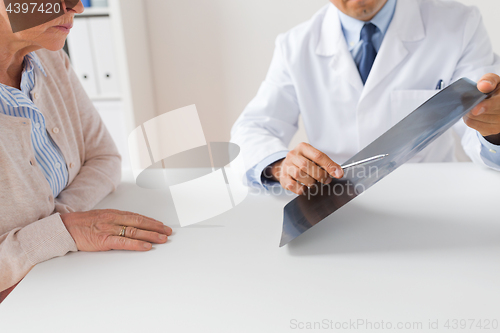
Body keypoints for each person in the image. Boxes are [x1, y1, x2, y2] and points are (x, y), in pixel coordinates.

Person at [231, 0, 500, 194]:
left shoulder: (461, 25)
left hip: (431, 201)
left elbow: (480, 128)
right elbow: (253, 128)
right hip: (332, 208)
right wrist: (280, 165)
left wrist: (494, 130)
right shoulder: (294, 46)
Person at [0, 0, 173, 301]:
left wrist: (62, 225)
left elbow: (104, 158)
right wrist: (58, 232)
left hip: (67, 279)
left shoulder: (49, 60)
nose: (77, 8)